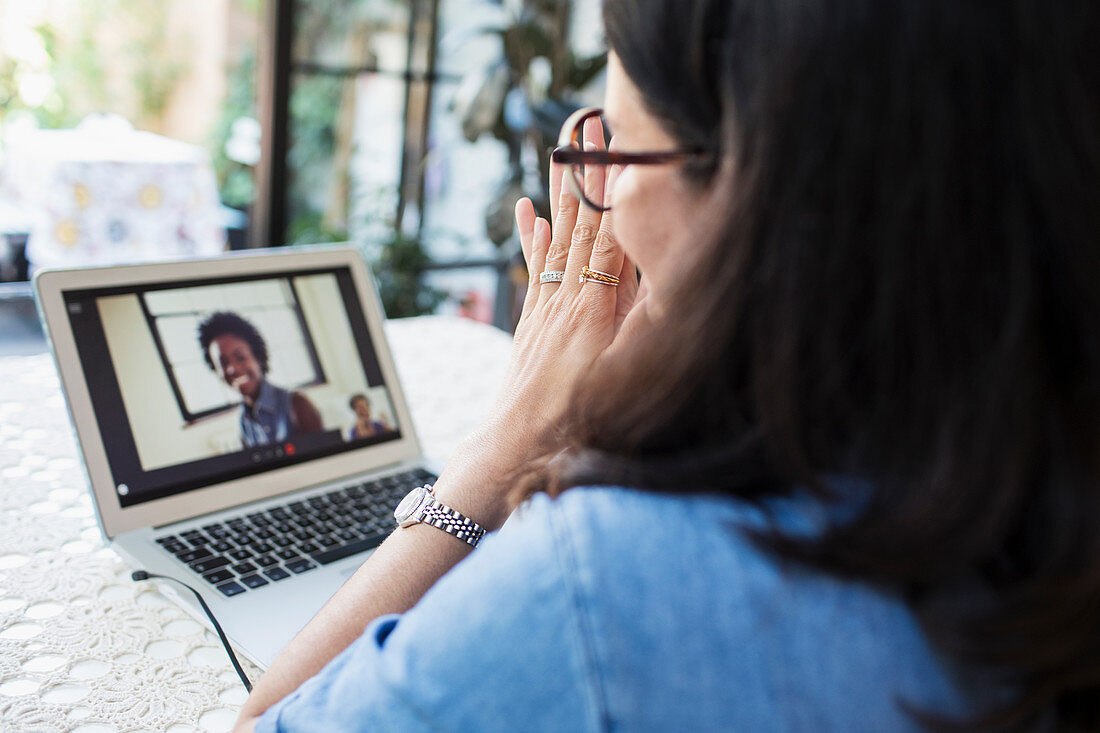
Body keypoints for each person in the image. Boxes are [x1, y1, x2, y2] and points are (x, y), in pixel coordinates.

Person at [235, 0, 1100, 730]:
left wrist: (505, 445)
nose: (600, 193)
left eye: (615, 146)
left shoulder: (613, 588)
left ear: (759, 194)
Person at [198, 311, 323, 448]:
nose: (232, 369)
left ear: (258, 358)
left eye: (240, 357)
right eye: (223, 363)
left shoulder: (298, 405)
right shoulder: (244, 422)